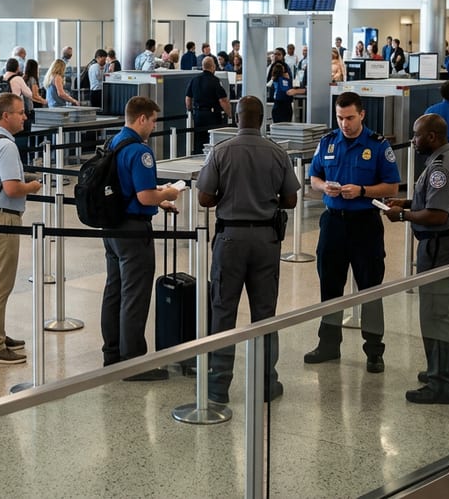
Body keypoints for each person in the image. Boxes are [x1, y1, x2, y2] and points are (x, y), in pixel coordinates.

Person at [199, 96, 297, 404]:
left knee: (223, 311)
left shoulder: (221, 151)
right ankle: (266, 383)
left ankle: (218, 386)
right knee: (265, 313)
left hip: (230, 240)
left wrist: (227, 198)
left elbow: (204, 197)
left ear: (237, 117)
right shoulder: (278, 153)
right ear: (262, 118)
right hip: (266, 240)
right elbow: (291, 200)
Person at [306, 91, 400, 372]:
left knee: (369, 287)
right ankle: (329, 345)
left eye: (349, 118)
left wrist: (362, 191)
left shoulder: (378, 145)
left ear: (361, 115)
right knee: (330, 285)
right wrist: (326, 187)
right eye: (339, 118)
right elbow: (314, 177)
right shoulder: (327, 142)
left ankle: (374, 351)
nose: (344, 123)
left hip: (365, 224)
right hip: (333, 222)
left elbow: (392, 187)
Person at [384, 114, 449, 405]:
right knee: (439, 312)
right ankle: (439, 367)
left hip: (440, 246)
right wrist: (407, 202)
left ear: (432, 137)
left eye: (416, 135)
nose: (413, 140)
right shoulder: (447, 159)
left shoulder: (440, 169)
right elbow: (431, 200)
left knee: (436, 315)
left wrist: (402, 215)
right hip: (445, 244)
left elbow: (437, 214)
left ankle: (442, 383)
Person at [100, 96, 181, 379]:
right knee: (134, 295)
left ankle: (112, 355)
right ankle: (133, 362)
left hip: (111, 228)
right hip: (134, 231)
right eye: (153, 120)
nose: (154, 126)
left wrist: (159, 202)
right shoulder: (140, 152)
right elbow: (144, 194)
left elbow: (127, 188)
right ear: (142, 119)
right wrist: (167, 194)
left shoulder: (113, 143)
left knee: (114, 290)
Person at [0, 93, 42, 364]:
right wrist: (32, 186)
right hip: (3, 219)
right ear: (6, 116)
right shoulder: (7, 146)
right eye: (20, 112)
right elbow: (12, 188)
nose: (25, 116)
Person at [183, 56, 231, 154]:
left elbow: (188, 99)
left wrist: (191, 111)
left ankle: (197, 157)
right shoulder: (216, 81)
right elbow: (223, 100)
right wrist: (229, 114)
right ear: (213, 67)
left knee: (199, 140)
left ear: (203, 66)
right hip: (212, 116)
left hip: (198, 115)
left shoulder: (194, 80)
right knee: (213, 141)